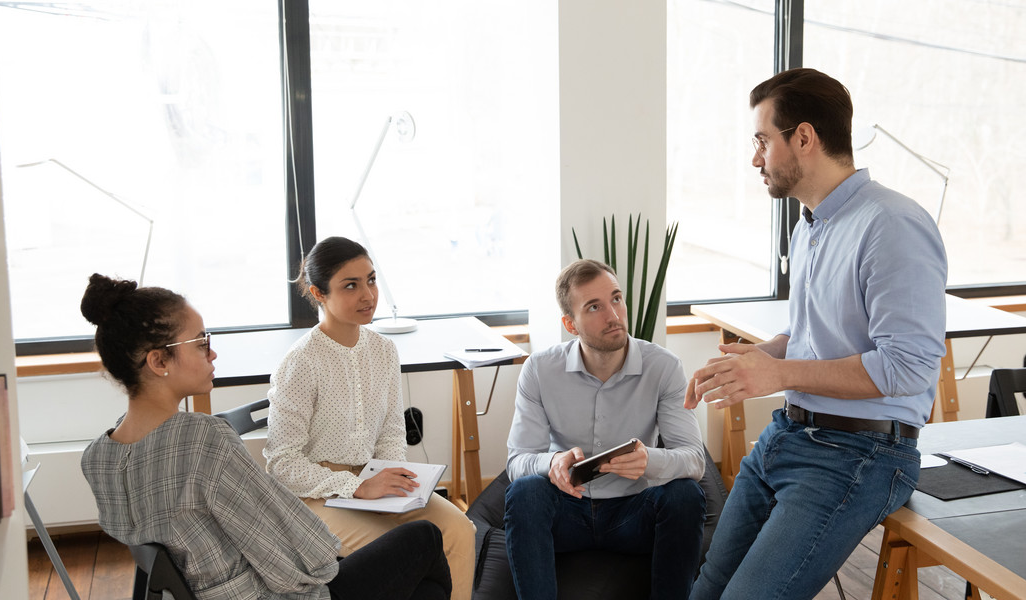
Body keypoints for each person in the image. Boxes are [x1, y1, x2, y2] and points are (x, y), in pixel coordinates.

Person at [685, 68, 949, 600]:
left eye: (762, 141)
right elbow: (813, 333)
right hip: (790, 434)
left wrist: (777, 372)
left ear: (803, 137)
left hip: (861, 455)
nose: (754, 158)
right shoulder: (810, 225)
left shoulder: (892, 224)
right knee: (706, 587)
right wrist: (760, 356)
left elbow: (908, 367)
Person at [78, 273, 451, 600]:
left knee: (420, 588)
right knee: (425, 539)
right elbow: (302, 555)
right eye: (200, 343)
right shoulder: (204, 439)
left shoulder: (97, 458)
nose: (213, 352)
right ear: (159, 361)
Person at [264, 236, 475, 600]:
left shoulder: (384, 350)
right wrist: (355, 487)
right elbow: (281, 465)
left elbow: (392, 430)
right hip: (315, 496)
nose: (368, 295)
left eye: (371, 280)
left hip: (372, 482)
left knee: (460, 529)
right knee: (401, 550)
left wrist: (389, 483)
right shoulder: (301, 363)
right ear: (319, 293)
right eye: (351, 285)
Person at [504, 258, 708, 600]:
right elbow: (518, 461)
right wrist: (551, 463)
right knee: (524, 493)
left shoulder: (664, 367)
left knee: (686, 496)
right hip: (566, 512)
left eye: (616, 298)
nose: (613, 315)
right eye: (594, 306)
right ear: (571, 324)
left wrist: (649, 460)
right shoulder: (540, 369)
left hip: (634, 514)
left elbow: (694, 460)